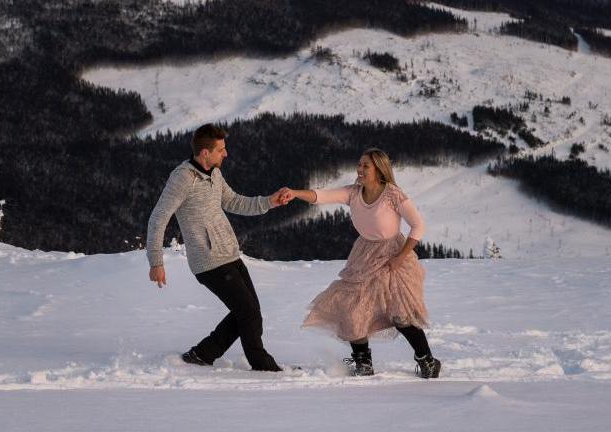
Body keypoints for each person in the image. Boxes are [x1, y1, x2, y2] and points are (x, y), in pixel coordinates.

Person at [279, 148, 441, 379]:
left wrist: (400, 256)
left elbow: (418, 226)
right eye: (359, 165)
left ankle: (427, 361)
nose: (360, 169)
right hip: (364, 255)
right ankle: (363, 362)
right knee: (352, 308)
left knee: (400, 315)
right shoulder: (354, 193)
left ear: (379, 169)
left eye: (366, 166)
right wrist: (294, 193)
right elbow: (321, 195)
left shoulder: (393, 194)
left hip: (393, 256)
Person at [146, 123, 291, 372]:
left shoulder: (214, 173)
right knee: (248, 314)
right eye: (221, 150)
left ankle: (203, 353)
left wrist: (270, 202)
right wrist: (156, 262)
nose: (226, 154)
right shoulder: (182, 178)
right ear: (205, 153)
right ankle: (263, 366)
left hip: (229, 254)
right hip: (208, 261)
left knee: (247, 312)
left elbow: (233, 201)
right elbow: (158, 217)